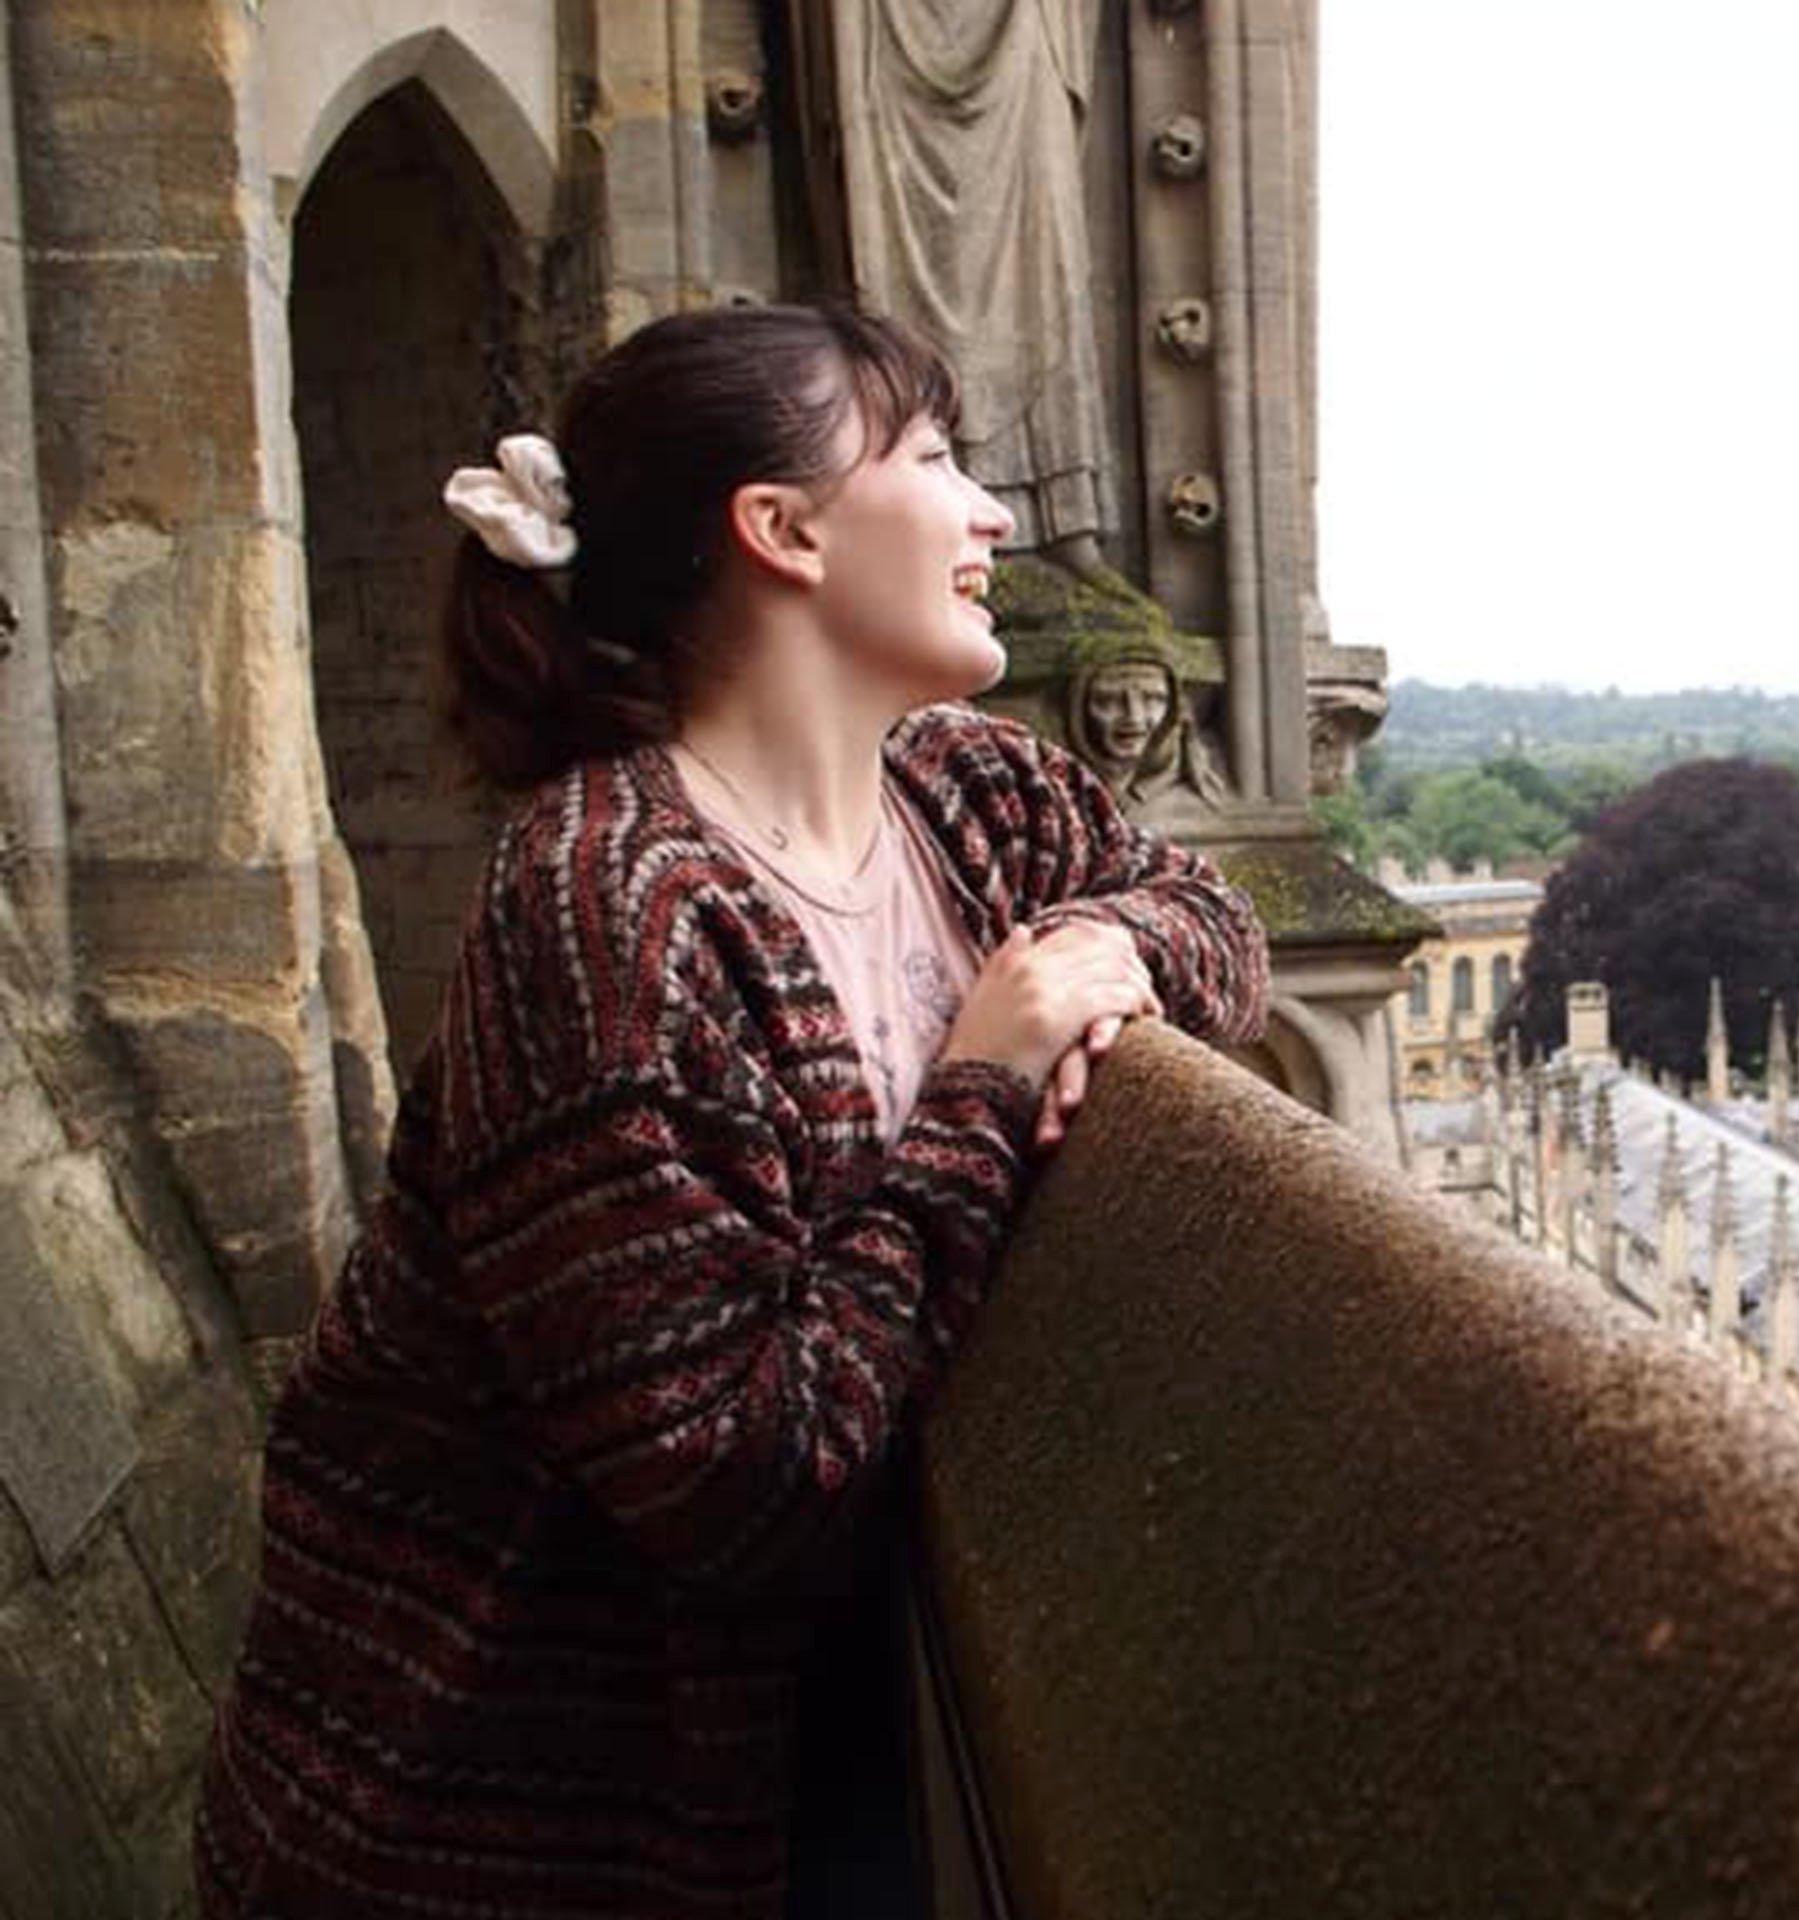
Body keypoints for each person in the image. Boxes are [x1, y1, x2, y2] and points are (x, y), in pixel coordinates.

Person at [193, 302, 1268, 1917]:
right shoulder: (605, 906)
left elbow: (1218, 926)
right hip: (510, 1828)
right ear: (781, 531)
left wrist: (1102, 944)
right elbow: (738, 1477)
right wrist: (985, 1080)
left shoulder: (970, 787)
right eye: (929, 456)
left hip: (833, 1748)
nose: (989, 511)